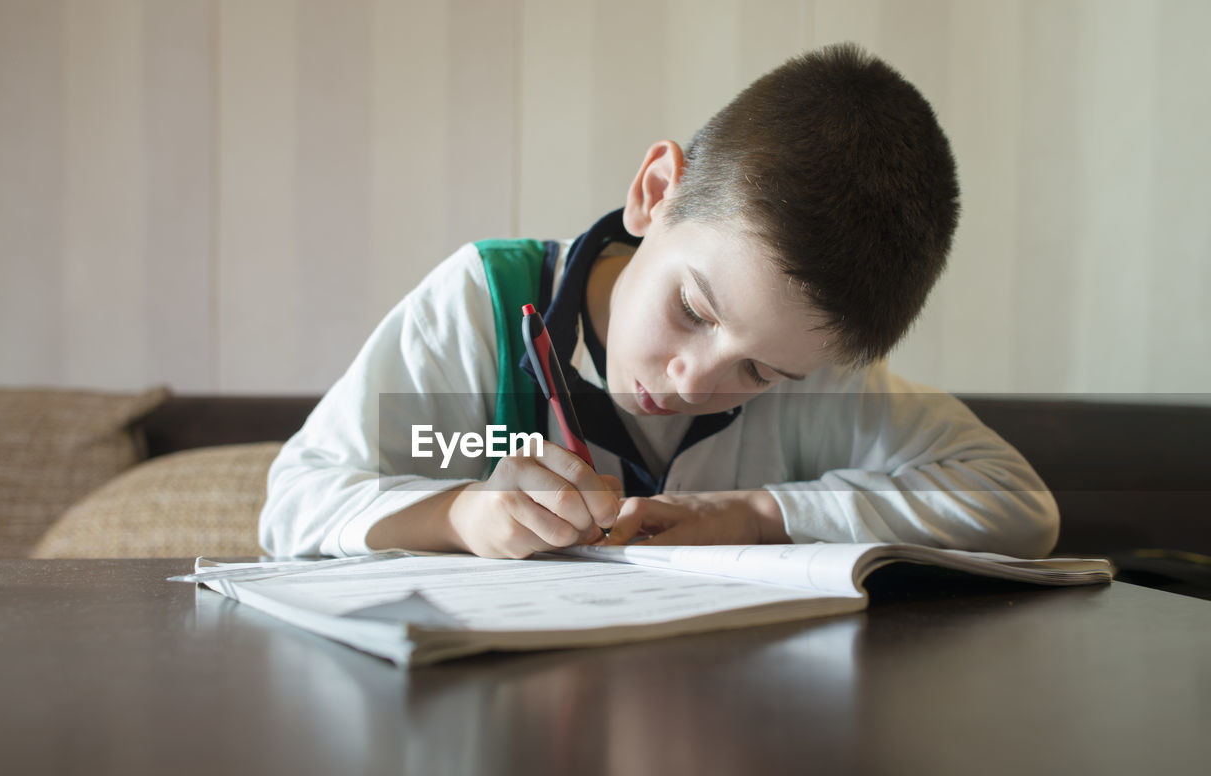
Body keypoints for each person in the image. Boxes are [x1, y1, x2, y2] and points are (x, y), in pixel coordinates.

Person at [259, 43, 1059, 561]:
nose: (692, 379)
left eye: (758, 370)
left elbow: (1016, 500)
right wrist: (457, 516)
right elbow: (294, 502)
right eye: (695, 310)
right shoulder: (485, 306)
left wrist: (756, 512)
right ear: (655, 194)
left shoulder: (814, 371)